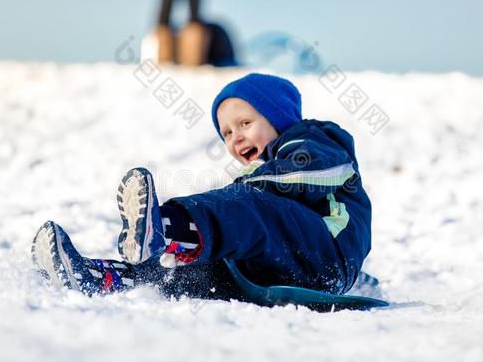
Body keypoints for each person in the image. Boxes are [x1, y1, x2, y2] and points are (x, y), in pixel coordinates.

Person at [32, 73, 372, 301]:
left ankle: (164, 228)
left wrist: (246, 191)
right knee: (199, 267)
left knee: (245, 208)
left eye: (244, 123)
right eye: (226, 133)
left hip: (327, 255)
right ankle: (105, 279)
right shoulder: (264, 185)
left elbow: (304, 175)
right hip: (280, 267)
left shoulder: (315, 141)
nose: (235, 137)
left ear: (279, 117)